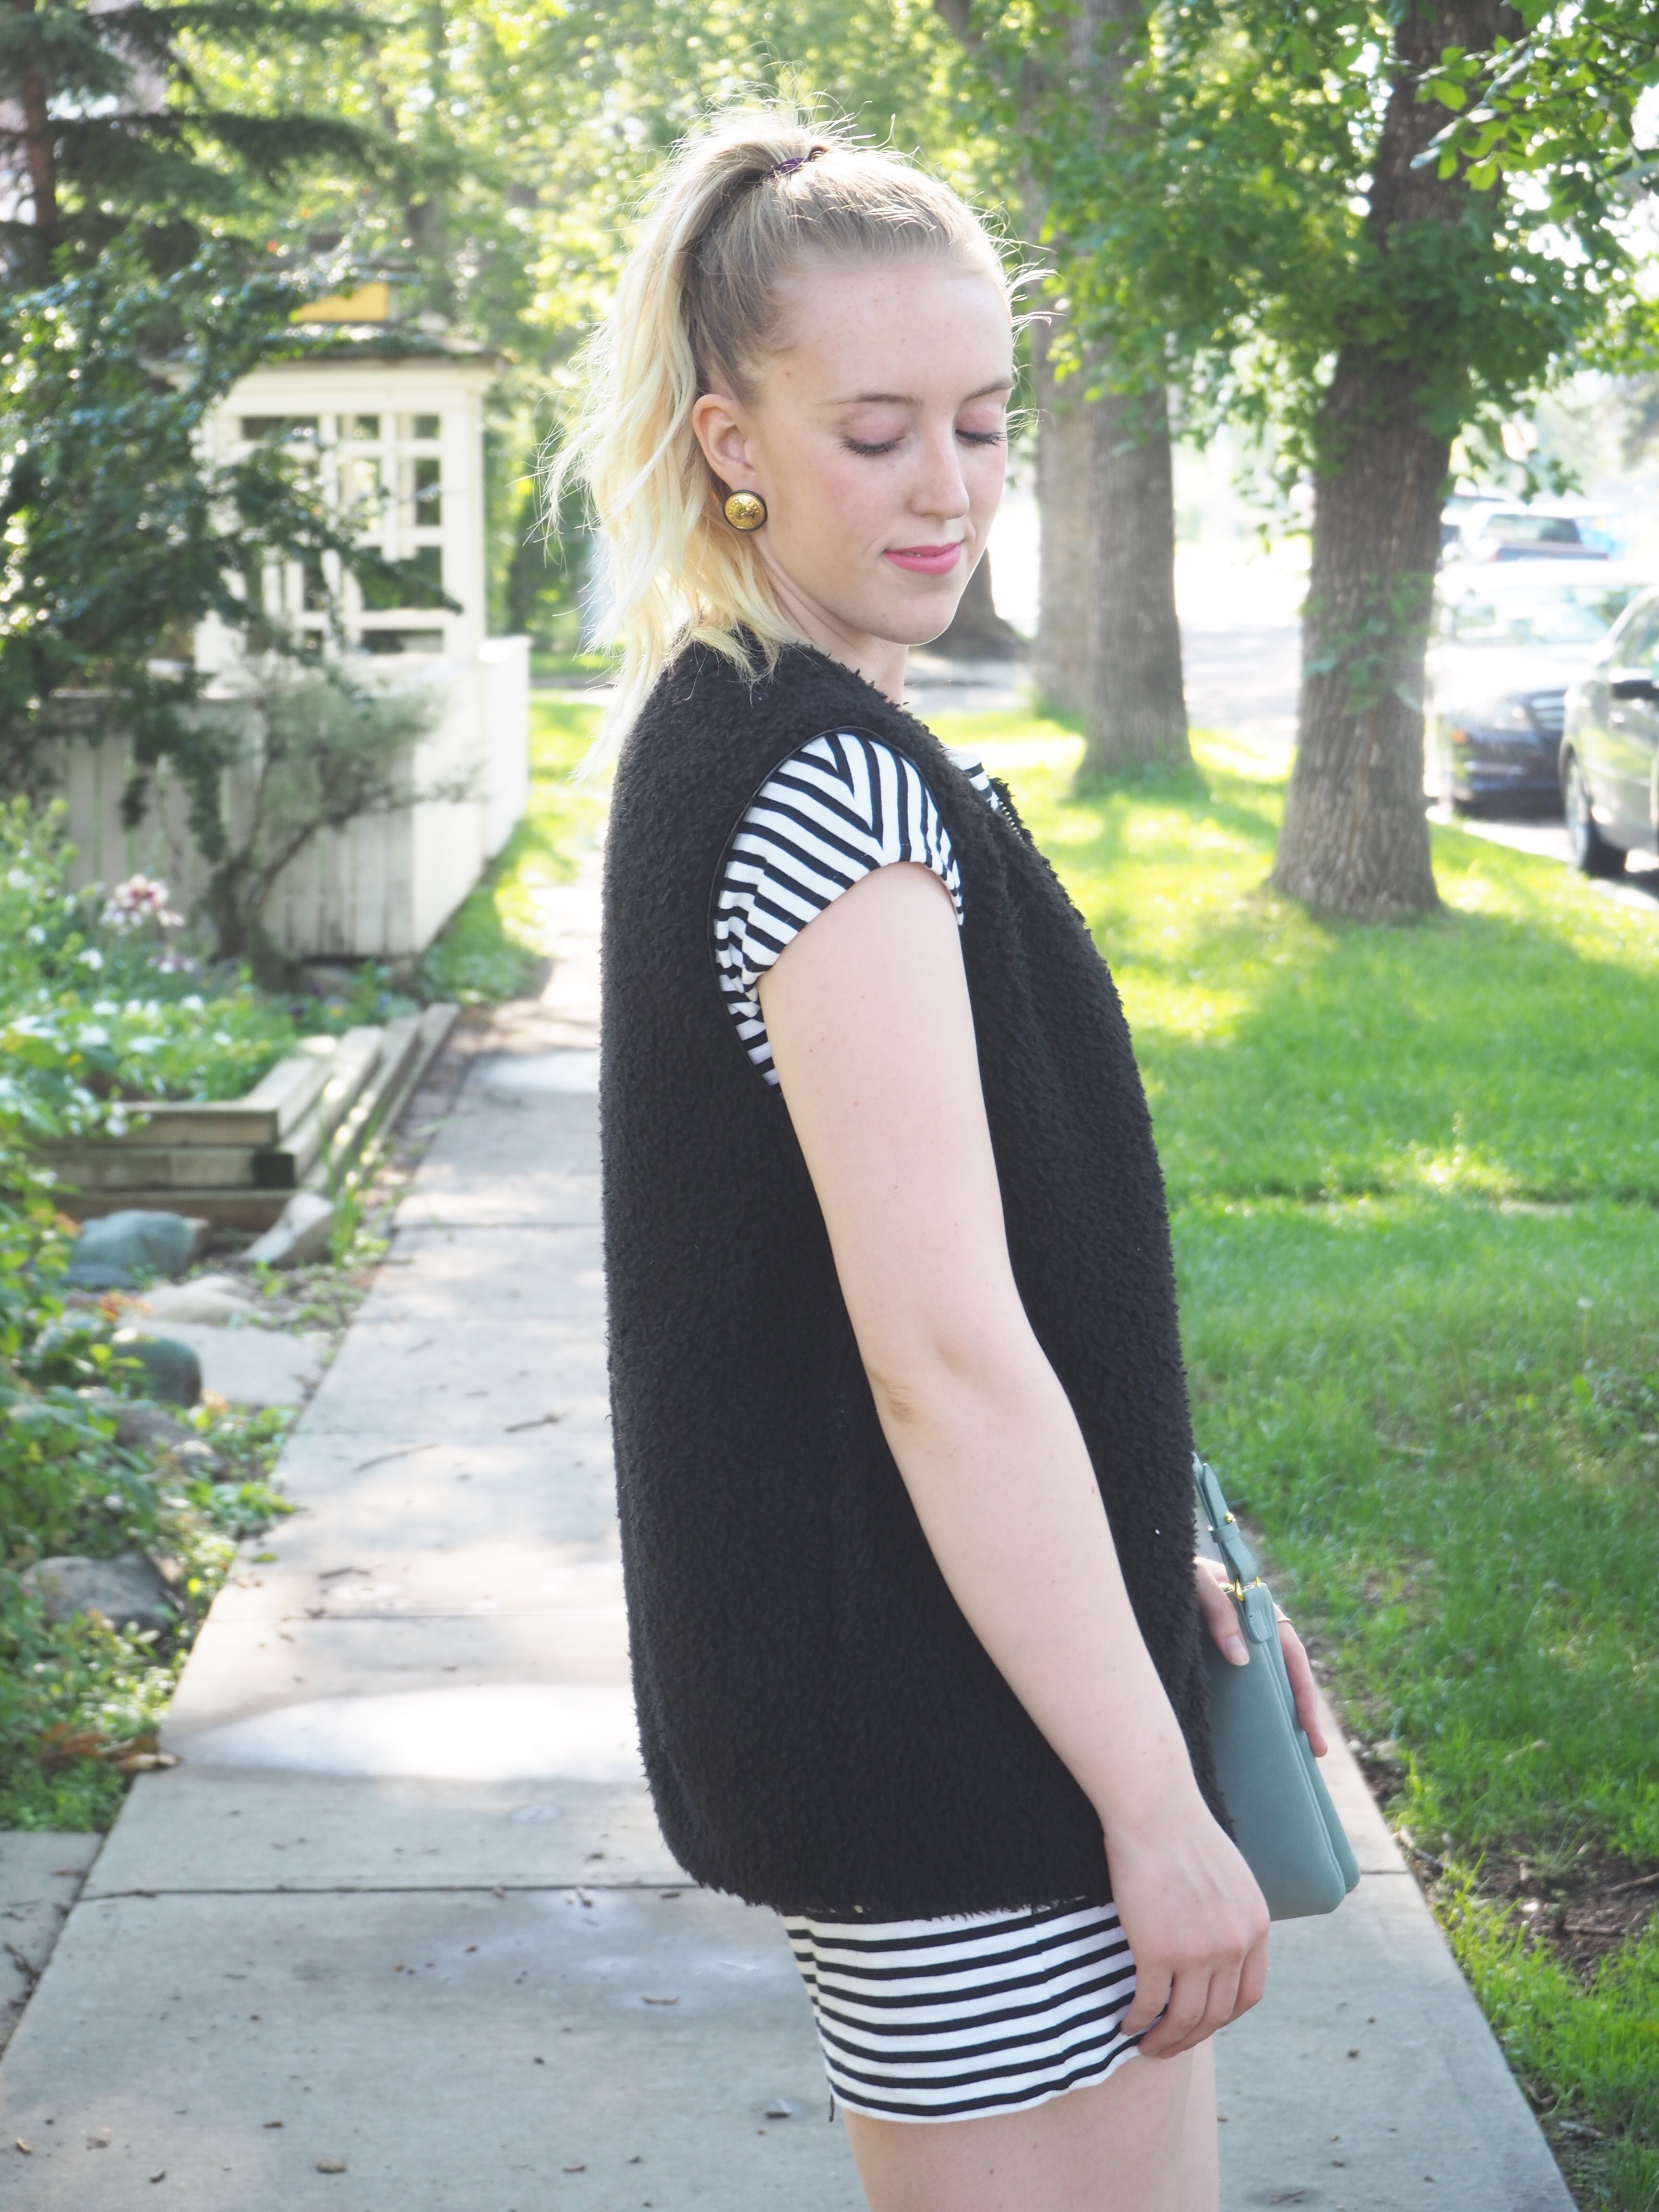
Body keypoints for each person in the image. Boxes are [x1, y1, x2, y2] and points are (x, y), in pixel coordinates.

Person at [554, 109, 1330, 2212]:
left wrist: (1152, 1560)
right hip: (940, 1741)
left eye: (983, 422)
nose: (951, 489)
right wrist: (1154, 1801)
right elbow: (939, 1353)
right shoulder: (823, 791)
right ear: (733, 438)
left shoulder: (765, 729)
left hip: (967, 1693)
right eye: (876, 430)